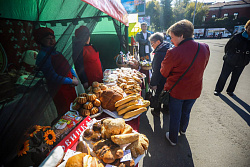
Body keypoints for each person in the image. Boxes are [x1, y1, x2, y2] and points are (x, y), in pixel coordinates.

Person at [160, 20, 210, 145]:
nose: (171, 40)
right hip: (195, 89)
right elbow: (203, 66)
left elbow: (164, 72)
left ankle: (173, 138)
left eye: (172, 37)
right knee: (186, 111)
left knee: (175, 115)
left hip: (177, 91)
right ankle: (182, 130)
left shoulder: (173, 52)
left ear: (181, 35)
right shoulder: (204, 47)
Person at [34, 27, 78, 118]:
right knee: (66, 114)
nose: (52, 41)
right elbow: (52, 77)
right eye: (48, 39)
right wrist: (71, 81)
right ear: (40, 41)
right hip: (59, 90)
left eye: (53, 38)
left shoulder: (56, 52)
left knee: (75, 108)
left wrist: (74, 77)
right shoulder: (42, 55)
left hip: (70, 87)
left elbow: (68, 66)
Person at [214, 20, 250, 96]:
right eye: (249, 29)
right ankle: (218, 90)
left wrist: (246, 60)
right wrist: (229, 56)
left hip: (242, 62)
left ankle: (230, 90)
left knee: (235, 78)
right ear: (246, 27)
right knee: (223, 76)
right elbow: (227, 47)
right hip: (230, 60)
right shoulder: (237, 36)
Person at [149, 32, 171, 117]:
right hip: (170, 78)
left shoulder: (159, 53)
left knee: (158, 93)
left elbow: (157, 71)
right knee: (167, 94)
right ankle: (166, 109)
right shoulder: (168, 47)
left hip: (161, 79)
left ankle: (156, 110)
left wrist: (153, 83)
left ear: (158, 42)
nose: (152, 46)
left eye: (152, 43)